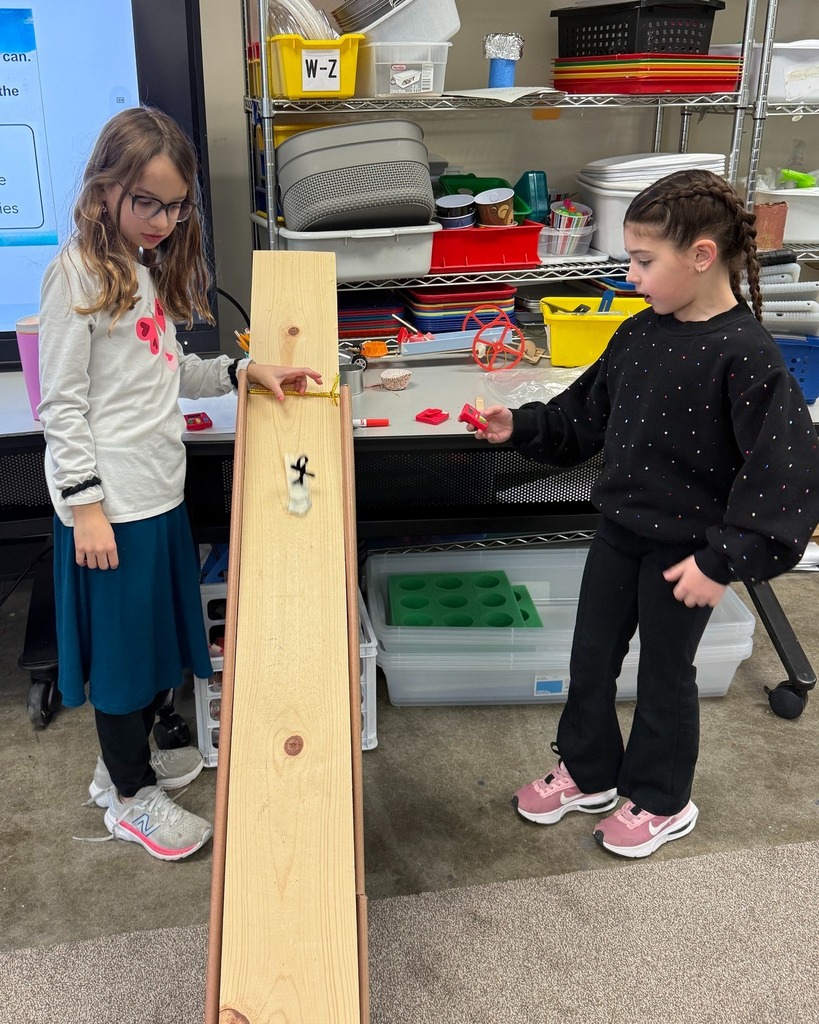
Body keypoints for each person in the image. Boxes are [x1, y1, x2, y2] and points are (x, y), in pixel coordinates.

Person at [470, 169, 819, 858]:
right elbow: (583, 416)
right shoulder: (637, 334)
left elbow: (783, 475)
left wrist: (722, 561)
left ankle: (662, 799)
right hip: (618, 534)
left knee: (664, 675)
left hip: (687, 555)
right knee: (590, 657)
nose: (630, 276)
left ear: (701, 256)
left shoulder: (748, 356)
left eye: (643, 260)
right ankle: (589, 772)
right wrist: (521, 425)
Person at [38, 106, 322, 861]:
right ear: (105, 189)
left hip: (158, 497)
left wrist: (240, 370)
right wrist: (86, 508)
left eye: (175, 206)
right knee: (122, 665)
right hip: (112, 512)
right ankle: (130, 799)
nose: (162, 221)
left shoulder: (139, 270)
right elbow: (60, 405)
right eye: (146, 203)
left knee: (153, 648)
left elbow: (166, 373)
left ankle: (121, 767)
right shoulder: (75, 276)